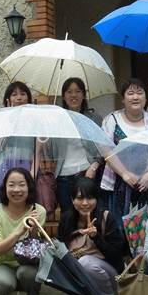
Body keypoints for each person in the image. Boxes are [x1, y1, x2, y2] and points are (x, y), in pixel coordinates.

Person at [57, 176, 125, 295]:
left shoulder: (107, 218)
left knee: (85, 262)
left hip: (108, 273)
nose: (85, 203)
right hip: (78, 272)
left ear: (96, 199)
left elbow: (117, 257)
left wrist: (96, 237)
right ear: (72, 200)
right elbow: (61, 249)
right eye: (80, 199)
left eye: (90, 198)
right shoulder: (67, 219)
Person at [0, 166, 47, 295]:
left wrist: (33, 229)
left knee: (30, 274)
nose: (17, 189)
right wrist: (19, 230)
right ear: (4, 188)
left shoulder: (38, 211)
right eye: (11, 185)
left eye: (22, 184)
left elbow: (37, 249)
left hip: (27, 265)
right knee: (0, 283)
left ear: (29, 187)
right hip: (2, 263)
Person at [101, 78, 148, 221]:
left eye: (139, 93)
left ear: (145, 97)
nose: (135, 97)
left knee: (145, 229)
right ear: (123, 99)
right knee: (117, 227)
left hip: (147, 184)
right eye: (130, 93)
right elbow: (106, 149)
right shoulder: (111, 120)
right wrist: (124, 173)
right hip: (118, 184)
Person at [52, 77, 104, 214]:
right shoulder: (58, 119)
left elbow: (104, 147)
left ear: (84, 95)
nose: (73, 95)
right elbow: (50, 151)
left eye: (78, 91)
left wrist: (94, 166)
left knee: (89, 215)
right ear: (63, 96)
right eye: (69, 92)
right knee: (68, 217)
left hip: (86, 173)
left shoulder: (94, 118)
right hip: (63, 177)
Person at [0, 81, 34, 207]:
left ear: (28, 98)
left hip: (26, 167)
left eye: (23, 94)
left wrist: (32, 175)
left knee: (26, 209)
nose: (19, 97)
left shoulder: (34, 121)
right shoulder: (1, 120)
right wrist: (7, 118)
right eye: (14, 94)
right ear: (8, 99)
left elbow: (38, 153)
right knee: (3, 207)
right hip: (5, 168)